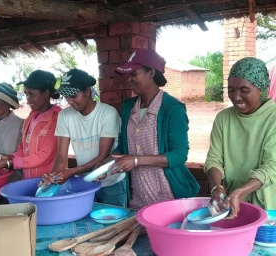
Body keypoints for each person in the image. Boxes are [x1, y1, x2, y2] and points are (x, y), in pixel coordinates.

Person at [103, 48, 199, 210]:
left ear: (151, 73)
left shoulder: (172, 108)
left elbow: (180, 155)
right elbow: (123, 148)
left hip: (167, 193)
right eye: (129, 76)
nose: (130, 80)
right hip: (138, 196)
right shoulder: (128, 107)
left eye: (134, 74)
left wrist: (136, 160)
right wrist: (104, 165)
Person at [41, 68, 127, 207]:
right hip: (85, 182)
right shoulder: (65, 116)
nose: (70, 101)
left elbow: (102, 156)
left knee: (114, 224)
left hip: (111, 183)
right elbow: (61, 156)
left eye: (73, 95)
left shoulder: (107, 113)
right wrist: (54, 177)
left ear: (87, 91)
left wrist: (71, 172)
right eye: (66, 96)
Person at [205, 57, 276, 219]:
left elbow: (272, 167)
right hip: (232, 203)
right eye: (231, 89)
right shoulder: (223, 118)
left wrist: (242, 191)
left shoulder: (273, 118)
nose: (236, 97)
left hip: (268, 206)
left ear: (261, 89)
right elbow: (213, 159)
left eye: (244, 91)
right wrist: (217, 187)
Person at [0, 70, 61, 179]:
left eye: (31, 94)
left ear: (46, 93)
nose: (28, 99)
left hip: (49, 183)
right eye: (26, 94)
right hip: (28, 180)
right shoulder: (31, 117)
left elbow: (45, 155)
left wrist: (10, 163)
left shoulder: (57, 117)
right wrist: (8, 157)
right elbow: (23, 148)